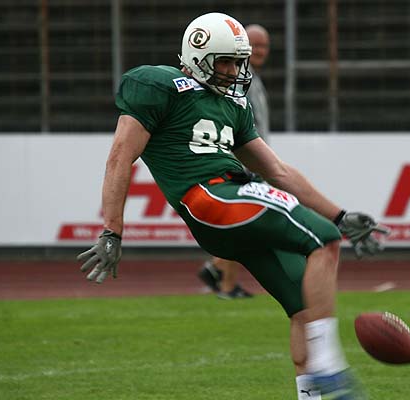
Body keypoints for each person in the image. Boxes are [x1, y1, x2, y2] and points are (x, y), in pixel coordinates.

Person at [77, 12, 388, 400]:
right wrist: (112, 229)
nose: (233, 71)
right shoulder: (158, 85)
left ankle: (312, 395)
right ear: (197, 55)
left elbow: (277, 170)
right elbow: (120, 158)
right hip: (210, 196)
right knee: (324, 238)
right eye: (224, 61)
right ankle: (330, 367)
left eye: (237, 62)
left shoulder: (234, 104)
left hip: (232, 207)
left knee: (306, 309)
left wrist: (339, 214)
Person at [196, 23, 271, 300]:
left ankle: (217, 269)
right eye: (255, 46)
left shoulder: (251, 78)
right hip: (241, 159)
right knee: (241, 223)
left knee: (244, 223)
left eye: (264, 46)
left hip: (253, 158)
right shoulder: (236, 79)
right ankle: (225, 283)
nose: (260, 51)